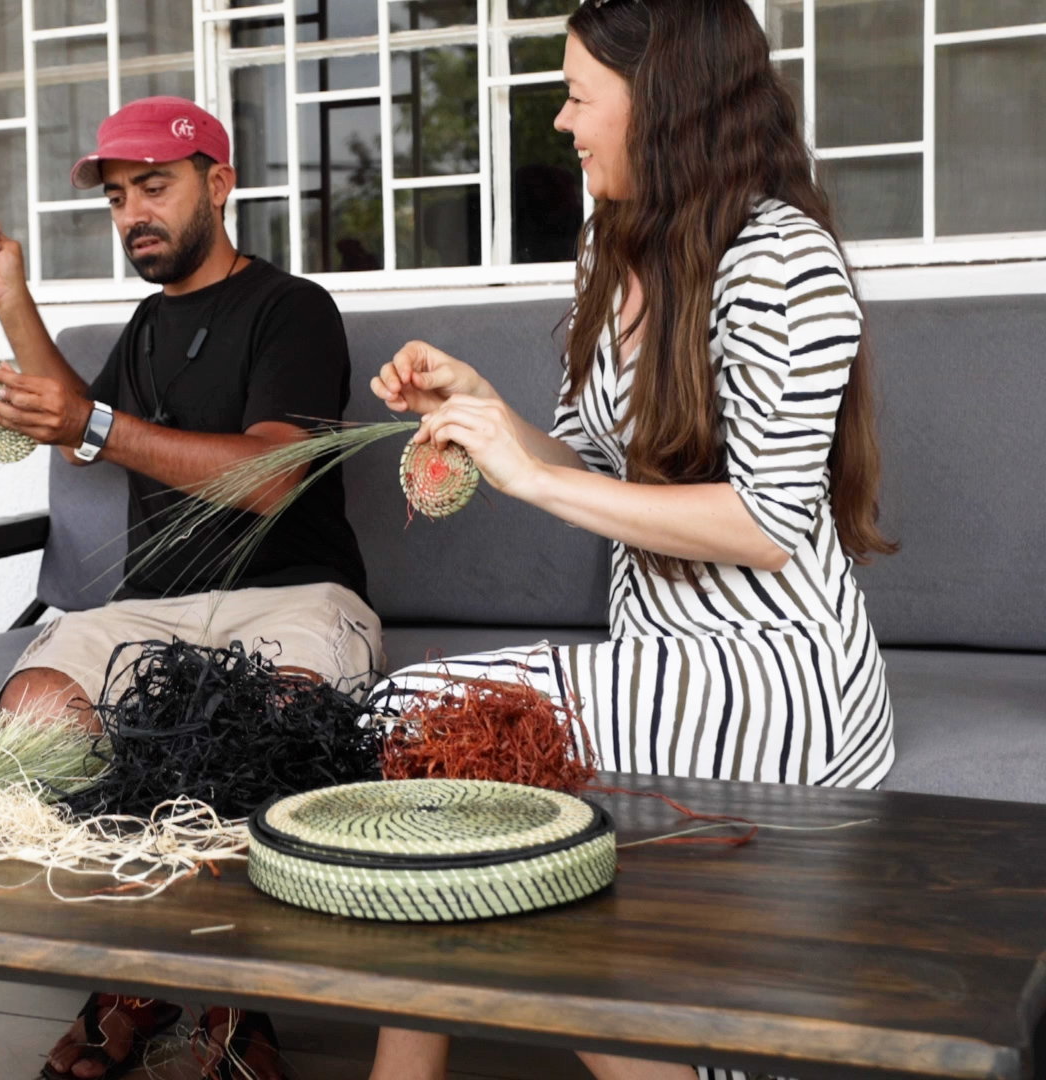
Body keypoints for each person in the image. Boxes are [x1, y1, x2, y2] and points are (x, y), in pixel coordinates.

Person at [361, 2, 895, 1079]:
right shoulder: (616, 238)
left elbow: (766, 525)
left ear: (663, 103)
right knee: (477, 807)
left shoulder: (783, 264)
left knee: (413, 719)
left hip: (774, 671)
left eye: (575, 95)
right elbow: (604, 472)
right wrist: (486, 413)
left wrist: (523, 477)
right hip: (659, 658)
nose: (560, 122)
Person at [0, 96, 382, 1080]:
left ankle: (241, 1000)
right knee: (37, 708)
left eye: (153, 187)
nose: (131, 215)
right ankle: (131, 976)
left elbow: (273, 475)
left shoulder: (294, 311)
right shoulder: (148, 326)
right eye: (117, 199)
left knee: (276, 722)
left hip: (291, 595)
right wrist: (10, 303)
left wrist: (99, 423)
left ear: (220, 183)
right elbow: (73, 423)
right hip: (149, 610)